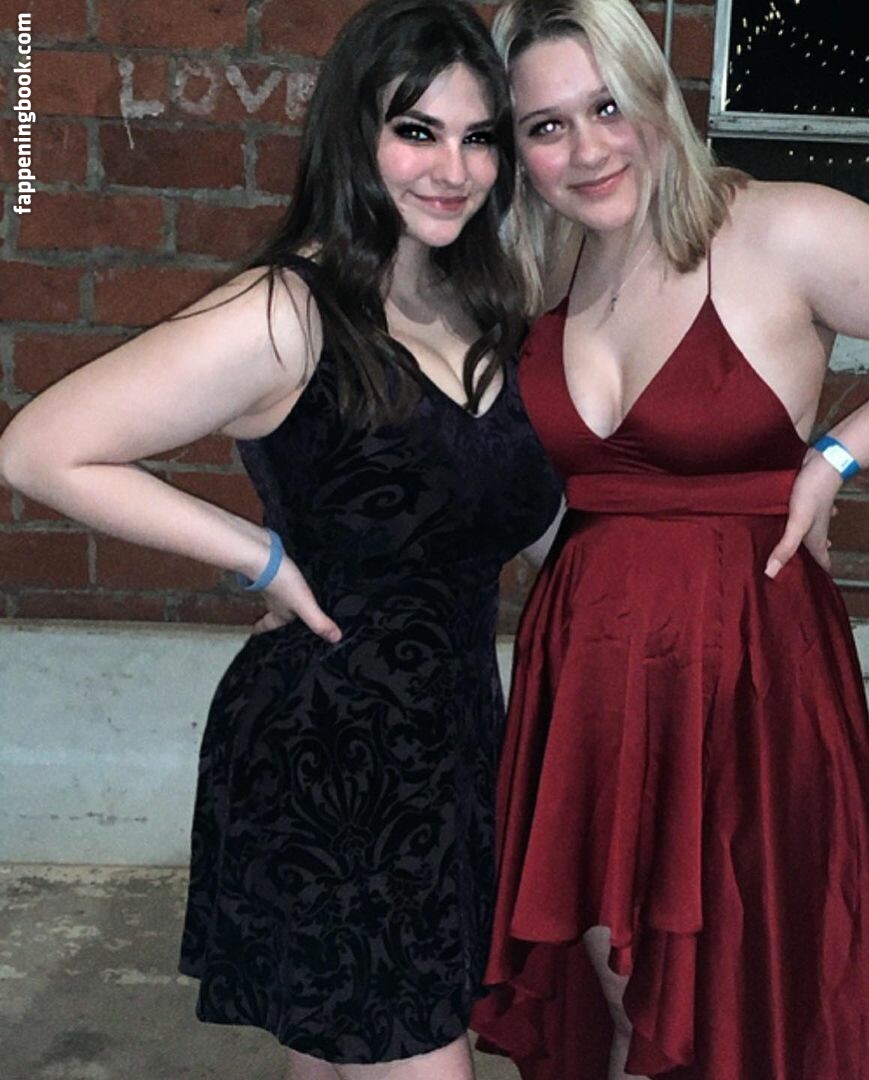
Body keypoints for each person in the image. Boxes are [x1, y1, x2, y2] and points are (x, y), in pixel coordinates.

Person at [470, 2, 869, 1079]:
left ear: (656, 97)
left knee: (728, 977)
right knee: (611, 976)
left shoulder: (781, 229)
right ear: (517, 148)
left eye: (607, 107)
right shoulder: (544, 273)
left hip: (746, 672)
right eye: (546, 127)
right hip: (587, 671)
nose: (586, 149)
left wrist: (833, 460)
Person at [0, 1, 561, 1077]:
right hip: (334, 750)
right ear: (354, 133)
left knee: (338, 1053)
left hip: (450, 743)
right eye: (417, 131)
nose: (454, 169)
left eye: (479, 137)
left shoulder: (479, 306)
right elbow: (42, 449)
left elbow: (520, 513)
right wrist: (258, 556)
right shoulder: (288, 312)